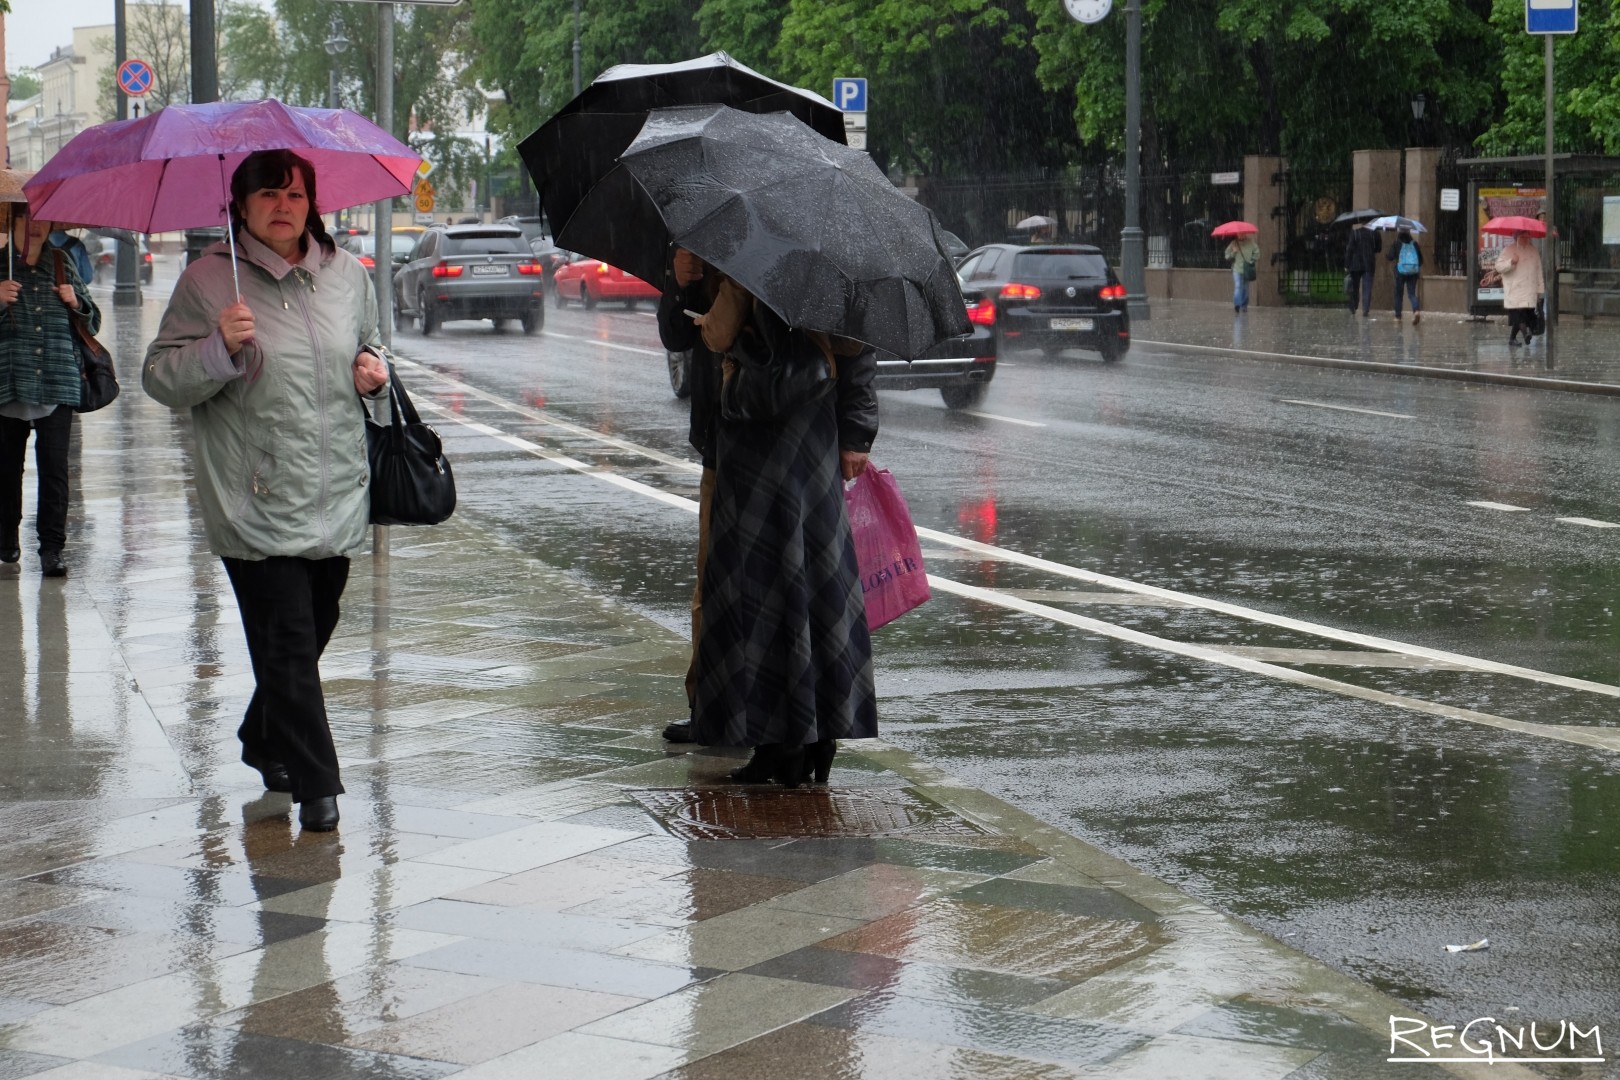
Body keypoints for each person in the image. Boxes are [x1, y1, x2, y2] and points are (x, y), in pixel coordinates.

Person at [143, 150, 389, 832]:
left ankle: (260, 734)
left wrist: (374, 372)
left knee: (317, 625)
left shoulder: (347, 274)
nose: (284, 206)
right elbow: (160, 378)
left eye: (296, 194)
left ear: (313, 202)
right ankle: (319, 787)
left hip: (336, 488)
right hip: (252, 495)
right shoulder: (207, 281)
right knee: (286, 639)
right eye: (268, 195)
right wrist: (218, 347)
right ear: (240, 205)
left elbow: (372, 347)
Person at [688, 275, 878, 786]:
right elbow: (857, 352)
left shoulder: (747, 260)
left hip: (757, 443)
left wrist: (717, 307)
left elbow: (718, 336)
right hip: (813, 439)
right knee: (812, 582)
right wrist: (856, 434)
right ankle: (816, 735)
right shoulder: (836, 273)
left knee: (761, 587)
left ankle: (778, 744)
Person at [0, 210, 100, 578]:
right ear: (12, 222)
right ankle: (7, 536)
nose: (35, 224)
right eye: (26, 217)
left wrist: (77, 302)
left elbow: (93, 320)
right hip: (7, 383)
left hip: (58, 381)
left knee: (56, 471)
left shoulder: (62, 261)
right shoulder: (0, 266)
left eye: (42, 216)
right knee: (7, 470)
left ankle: (52, 549)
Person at [656, 247, 722, 745]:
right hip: (721, 444)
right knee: (713, 581)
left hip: (787, 445)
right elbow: (677, 336)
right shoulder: (704, 240)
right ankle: (710, 707)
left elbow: (851, 349)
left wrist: (854, 430)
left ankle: (785, 723)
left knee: (777, 586)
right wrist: (680, 284)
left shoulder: (812, 237)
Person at [1495, 231, 1544, 346]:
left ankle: (1513, 338)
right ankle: (1525, 333)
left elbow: (1539, 271)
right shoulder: (1508, 250)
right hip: (1514, 289)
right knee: (1518, 314)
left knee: (1526, 314)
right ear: (1516, 237)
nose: (1525, 239)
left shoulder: (1534, 251)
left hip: (1529, 289)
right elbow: (1498, 267)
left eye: (1527, 236)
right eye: (1522, 236)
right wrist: (1511, 262)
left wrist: (1539, 290)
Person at [1344, 222, 1381, 316]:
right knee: (1367, 288)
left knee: (1354, 287)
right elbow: (1378, 249)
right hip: (1369, 263)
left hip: (1355, 264)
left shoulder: (1355, 233)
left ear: (1362, 223)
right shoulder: (1375, 233)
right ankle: (1365, 310)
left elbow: (1349, 249)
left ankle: (1353, 306)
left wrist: (1347, 264)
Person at [1387, 227, 1423, 324]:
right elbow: (1421, 260)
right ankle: (1416, 311)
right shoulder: (1414, 244)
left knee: (1398, 294)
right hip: (1413, 272)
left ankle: (1398, 317)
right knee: (1411, 293)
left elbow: (1390, 257)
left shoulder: (1396, 243)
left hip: (1400, 272)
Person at [1224, 233, 1258, 313]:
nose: (1241, 235)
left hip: (1247, 270)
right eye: (1239, 234)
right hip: (1237, 270)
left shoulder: (1251, 242)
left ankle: (1244, 305)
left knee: (1245, 289)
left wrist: (1251, 261)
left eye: (1243, 233)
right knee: (1238, 286)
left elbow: (1257, 253)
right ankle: (1237, 304)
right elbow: (1227, 256)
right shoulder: (1233, 243)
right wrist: (1234, 252)